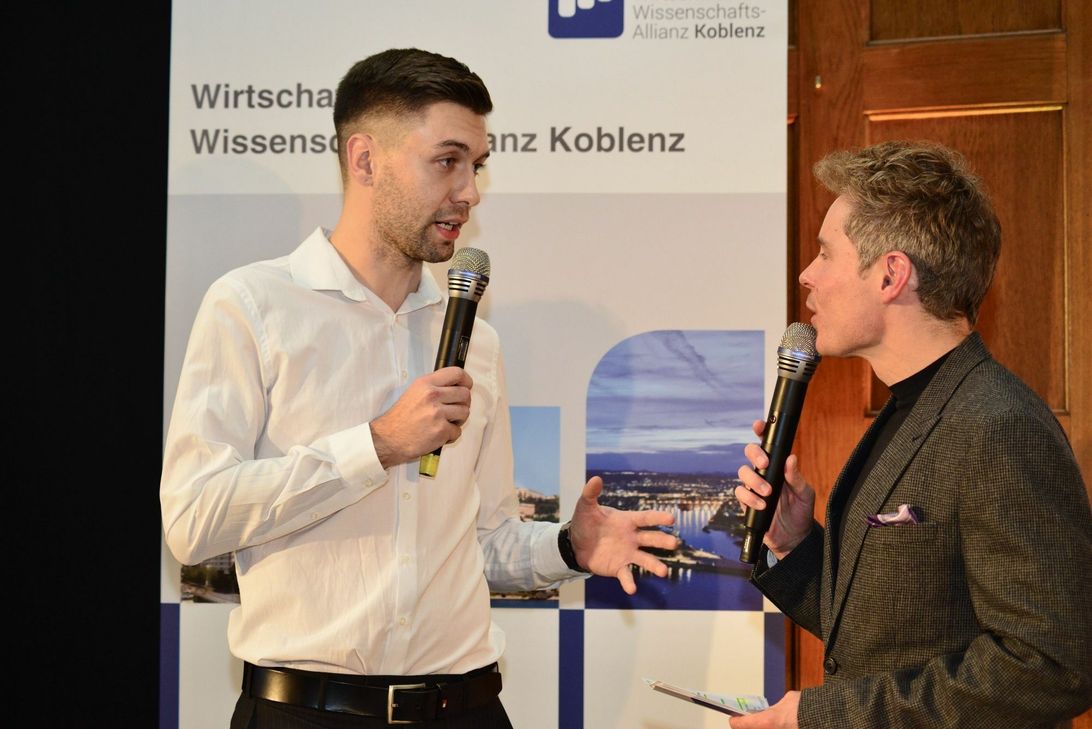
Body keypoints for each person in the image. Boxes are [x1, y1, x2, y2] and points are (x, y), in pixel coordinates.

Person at [160, 47, 678, 728]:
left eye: (476, 166)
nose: (469, 192)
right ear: (365, 159)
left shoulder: (476, 342)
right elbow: (193, 520)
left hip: (466, 707)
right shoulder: (253, 307)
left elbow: (484, 540)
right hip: (308, 712)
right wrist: (376, 444)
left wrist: (565, 547)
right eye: (447, 161)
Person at [732, 141, 1091, 728]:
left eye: (826, 253)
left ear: (891, 274)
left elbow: (1049, 667)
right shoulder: (910, 410)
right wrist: (795, 546)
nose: (807, 275)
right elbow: (888, 636)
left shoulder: (998, 425)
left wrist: (826, 716)